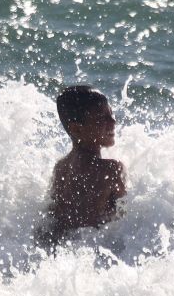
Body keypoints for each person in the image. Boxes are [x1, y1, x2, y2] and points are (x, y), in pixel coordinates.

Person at [38, 86, 127, 249]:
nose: (113, 121)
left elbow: (54, 216)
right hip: (92, 252)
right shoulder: (110, 170)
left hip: (62, 249)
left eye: (111, 113)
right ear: (77, 129)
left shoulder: (61, 167)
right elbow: (130, 218)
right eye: (102, 117)